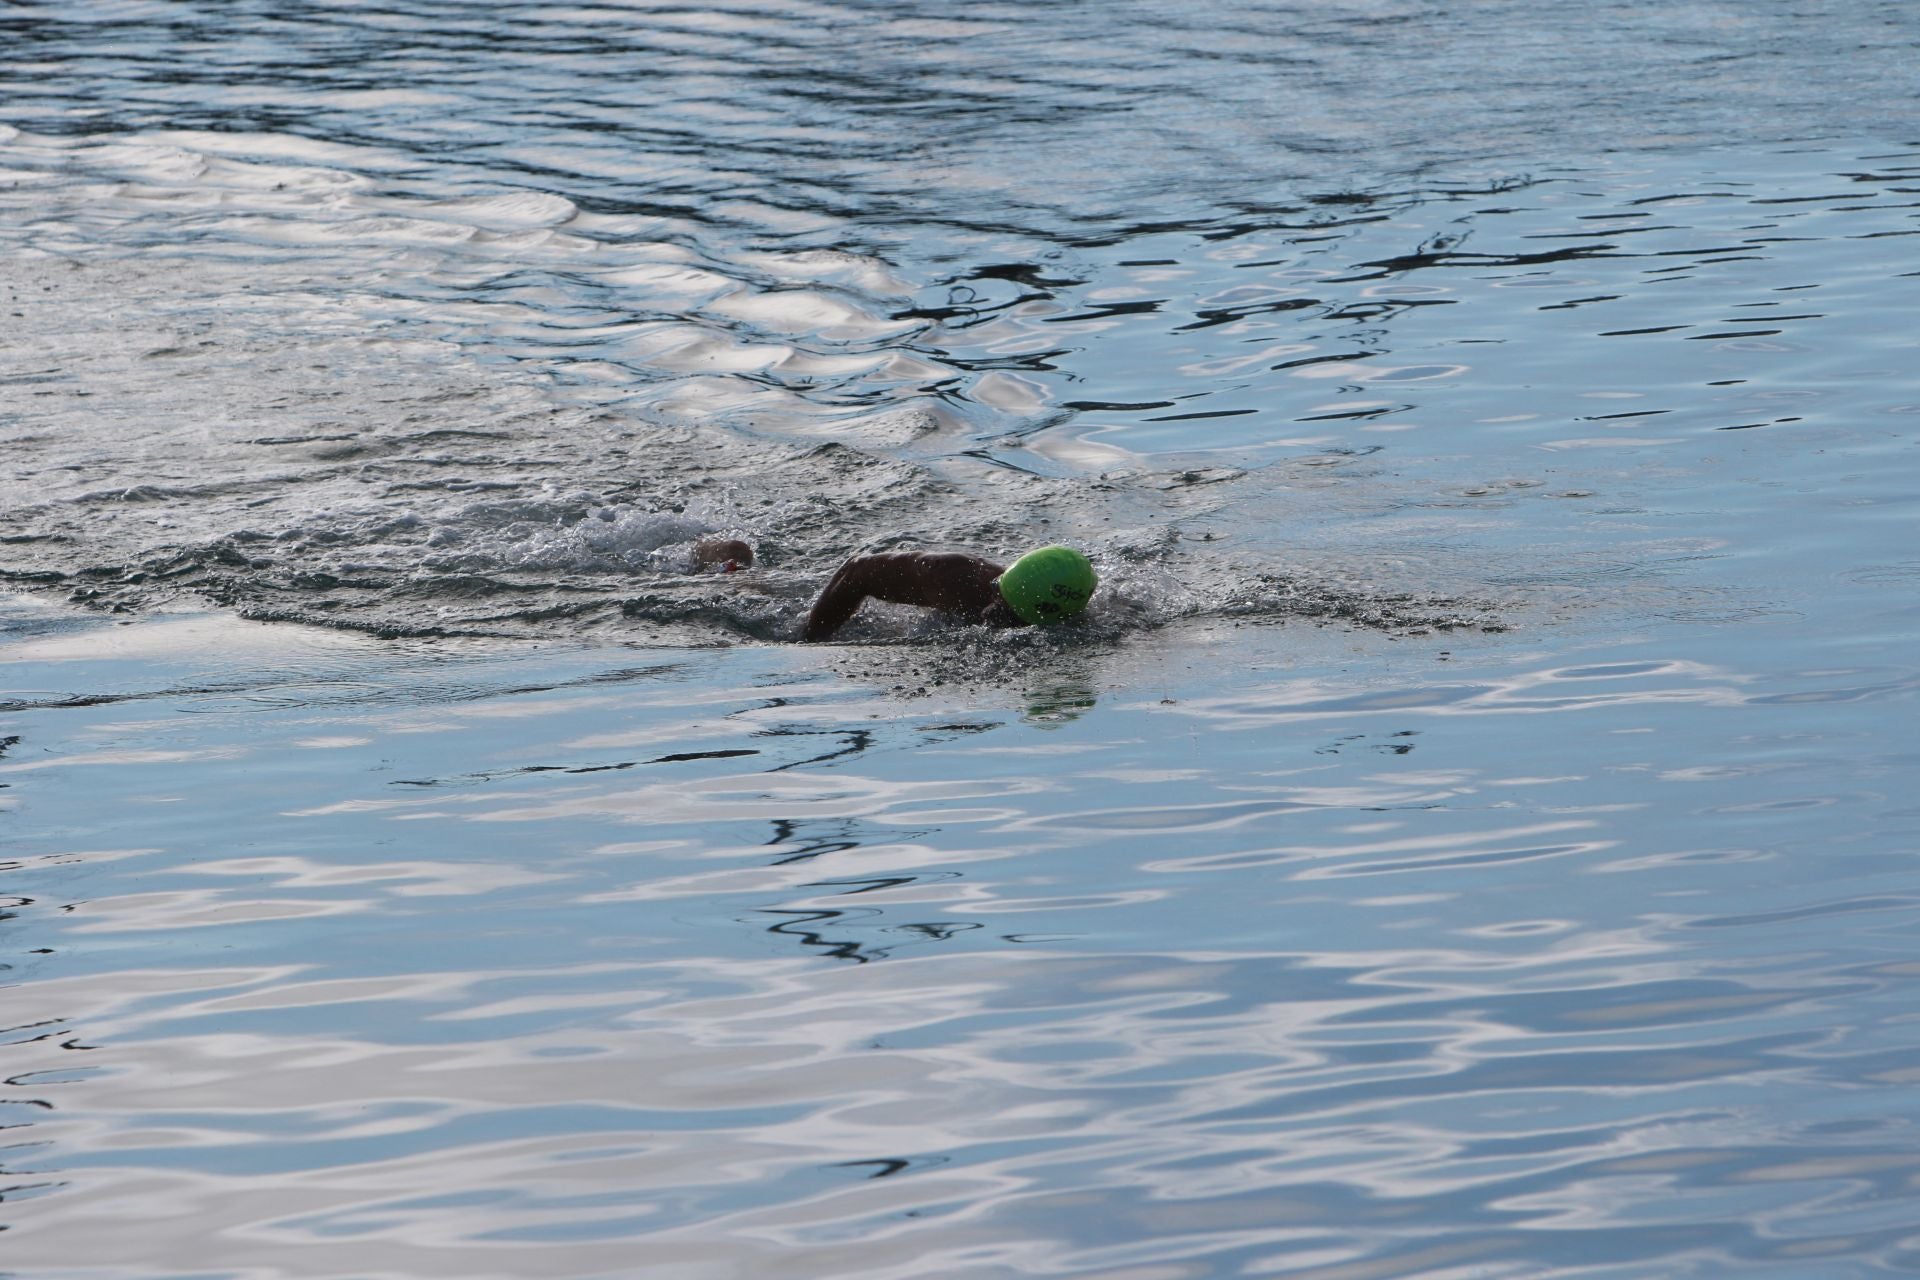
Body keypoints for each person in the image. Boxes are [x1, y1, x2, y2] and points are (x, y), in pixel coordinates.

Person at [802, 545, 1097, 641]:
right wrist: (814, 637)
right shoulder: (953, 578)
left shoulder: (1070, 628)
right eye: (996, 590)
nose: (990, 608)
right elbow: (856, 571)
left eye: (1006, 609)